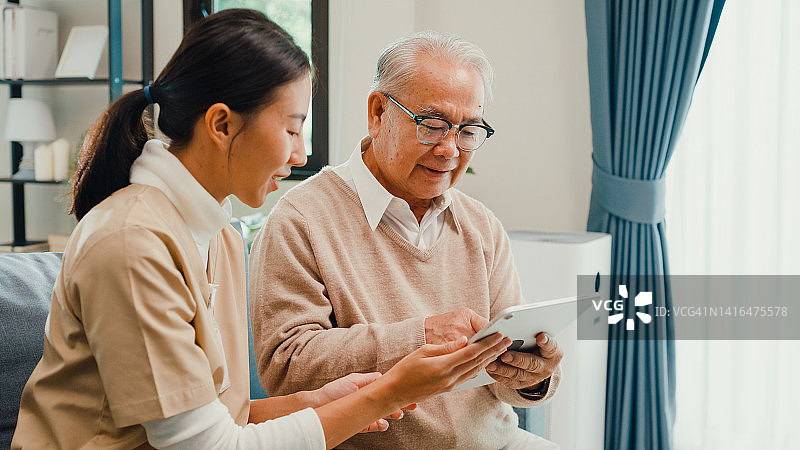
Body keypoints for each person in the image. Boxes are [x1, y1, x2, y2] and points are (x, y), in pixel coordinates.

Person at [11, 11, 512, 450]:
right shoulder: (129, 244)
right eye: (292, 129)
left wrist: (310, 404)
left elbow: (219, 418)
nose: (299, 155)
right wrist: (390, 391)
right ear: (223, 125)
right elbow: (205, 446)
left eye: (468, 130)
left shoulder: (221, 238)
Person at [249, 31, 565, 449]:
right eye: (432, 126)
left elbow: (506, 380)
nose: (450, 150)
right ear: (379, 112)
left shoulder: (481, 225)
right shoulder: (302, 218)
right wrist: (419, 337)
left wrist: (531, 376)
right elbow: (287, 368)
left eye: (468, 130)